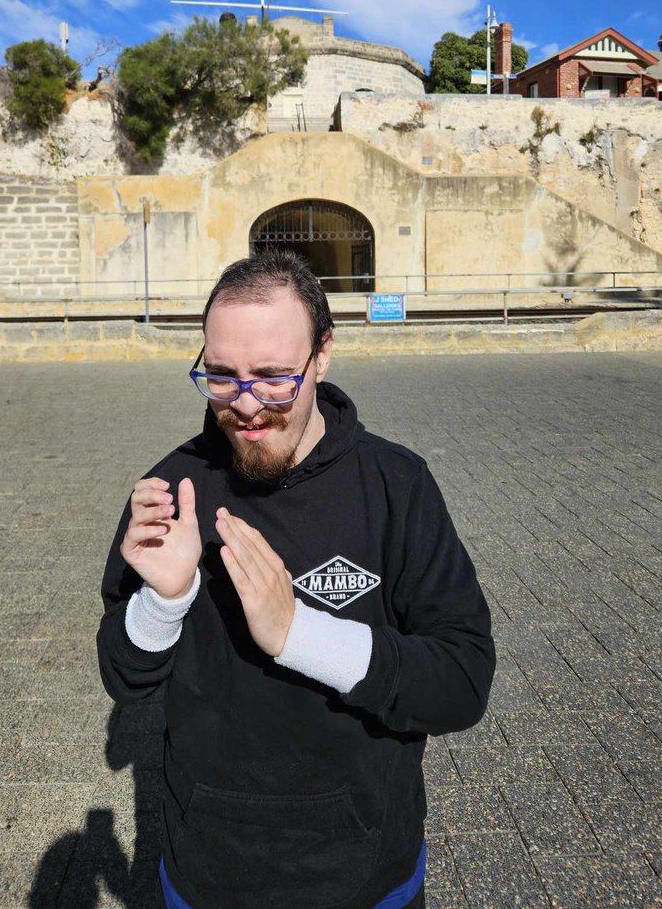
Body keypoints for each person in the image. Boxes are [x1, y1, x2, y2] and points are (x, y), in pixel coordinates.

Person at [97, 251, 495, 909]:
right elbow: (125, 675)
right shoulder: (172, 488)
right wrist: (162, 604)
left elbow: (462, 682)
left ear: (323, 355)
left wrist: (299, 634)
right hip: (209, 876)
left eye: (275, 378)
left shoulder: (397, 485)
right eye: (221, 378)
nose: (247, 406)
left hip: (367, 878)